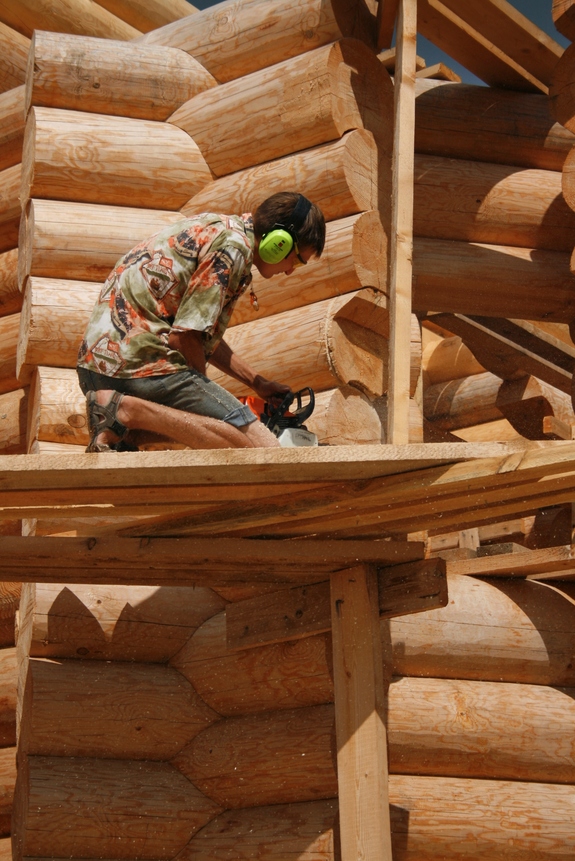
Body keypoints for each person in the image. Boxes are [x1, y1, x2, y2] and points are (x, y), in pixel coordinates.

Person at [76, 191, 326, 452]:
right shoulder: (233, 248)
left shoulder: (217, 227)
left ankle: (121, 427)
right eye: (296, 261)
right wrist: (209, 405)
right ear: (279, 243)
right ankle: (128, 410)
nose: (288, 270)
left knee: (202, 431)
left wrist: (256, 382)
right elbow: (183, 337)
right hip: (139, 363)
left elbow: (197, 331)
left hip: (96, 367)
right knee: (260, 447)